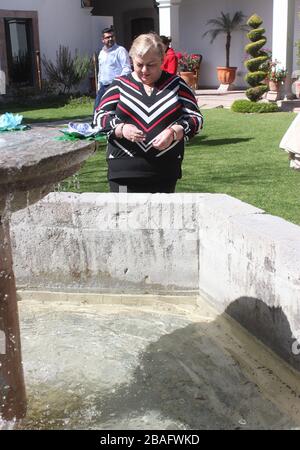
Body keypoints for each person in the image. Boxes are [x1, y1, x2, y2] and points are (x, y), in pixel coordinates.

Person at [93, 32, 203, 193]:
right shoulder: (120, 85)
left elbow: (196, 119)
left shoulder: (176, 85)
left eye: (151, 64)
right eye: (139, 64)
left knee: (161, 218)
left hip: (165, 170)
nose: (144, 70)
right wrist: (121, 129)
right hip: (123, 171)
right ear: (132, 61)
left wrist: (174, 132)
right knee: (124, 217)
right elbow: (99, 117)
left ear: (162, 61)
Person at [93, 26, 131, 112]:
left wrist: (117, 82)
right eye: (107, 37)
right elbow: (101, 71)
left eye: (112, 36)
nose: (110, 39)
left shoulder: (120, 50)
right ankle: (95, 125)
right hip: (103, 86)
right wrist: (99, 86)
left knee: (112, 111)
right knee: (97, 110)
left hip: (115, 86)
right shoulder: (101, 53)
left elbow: (127, 69)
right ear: (102, 40)